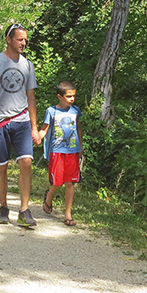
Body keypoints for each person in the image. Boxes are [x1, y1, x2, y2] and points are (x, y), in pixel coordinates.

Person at [0, 24, 42, 228]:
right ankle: (3, 206)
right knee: (1, 167)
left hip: (22, 120)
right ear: (8, 39)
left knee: (26, 163)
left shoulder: (28, 65)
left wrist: (34, 126)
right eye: (20, 39)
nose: (24, 43)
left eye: (25, 40)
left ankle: (24, 210)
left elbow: (31, 97)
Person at [39, 81, 83, 227]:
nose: (72, 99)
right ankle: (49, 197)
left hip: (72, 151)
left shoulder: (75, 111)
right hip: (57, 151)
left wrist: (80, 147)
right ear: (60, 96)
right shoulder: (51, 111)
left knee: (70, 183)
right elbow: (45, 129)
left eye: (73, 96)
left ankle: (68, 214)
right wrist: (38, 136)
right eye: (68, 96)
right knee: (57, 182)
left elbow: (78, 129)